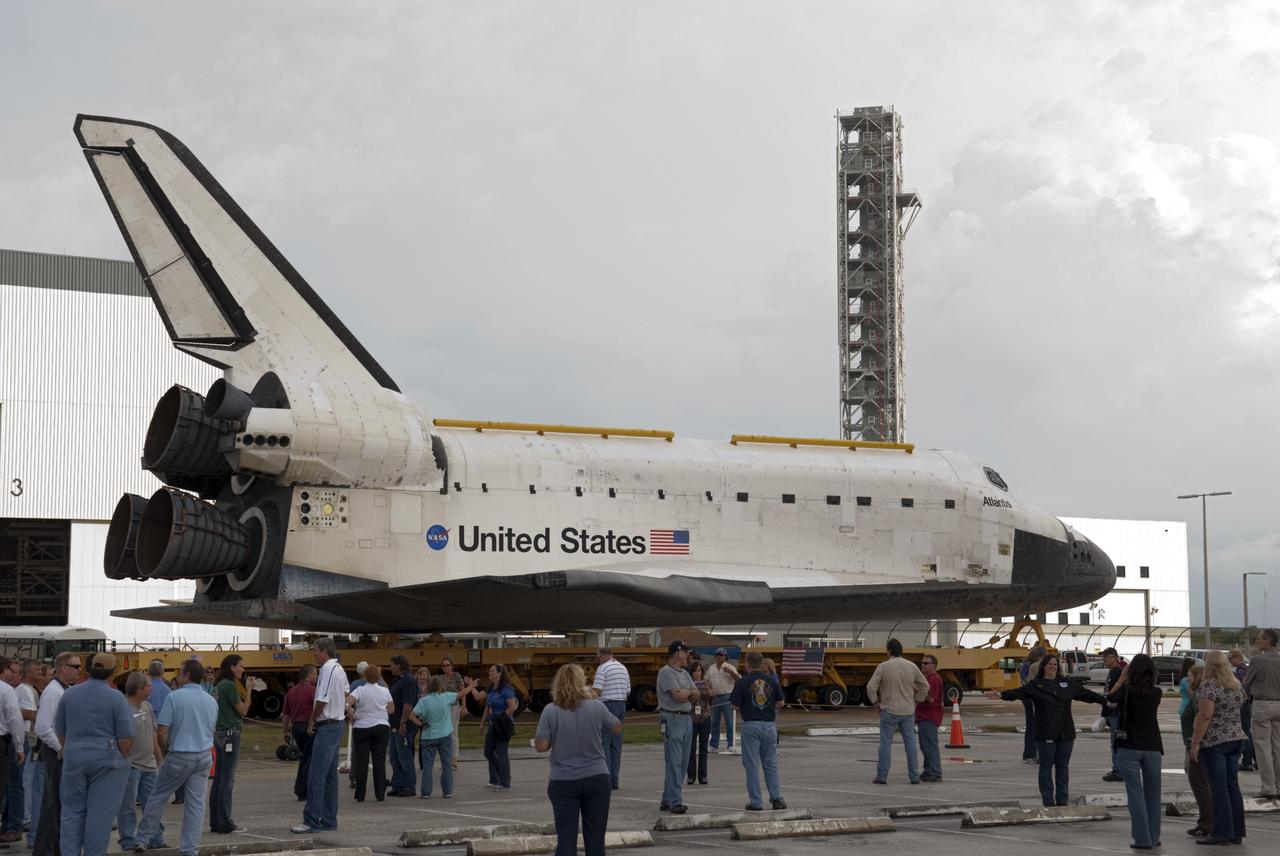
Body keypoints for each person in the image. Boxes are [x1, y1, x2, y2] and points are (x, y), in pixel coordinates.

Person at [985, 652, 1110, 806]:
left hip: (1065, 732)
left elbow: (1087, 694)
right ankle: (1048, 801)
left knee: (1063, 766)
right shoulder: (1036, 684)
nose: (1053, 667)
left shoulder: (1067, 683)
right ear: (1043, 666)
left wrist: (1106, 701)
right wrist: (1001, 695)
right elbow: (1019, 693)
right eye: (1050, 664)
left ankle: (1062, 800)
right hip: (1045, 732)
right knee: (1046, 766)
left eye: (1055, 664)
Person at [535, 664, 621, 856]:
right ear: (582, 682)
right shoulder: (596, 706)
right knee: (596, 837)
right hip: (596, 776)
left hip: (563, 779)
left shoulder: (550, 710)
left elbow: (541, 746)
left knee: (566, 838)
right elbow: (616, 727)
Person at [136, 659, 219, 856]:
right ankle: (189, 849)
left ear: (187, 674)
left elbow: (162, 731)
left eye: (181, 672)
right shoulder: (211, 700)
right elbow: (212, 729)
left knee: (157, 797)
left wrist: (164, 751)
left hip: (180, 754)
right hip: (203, 755)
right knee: (196, 805)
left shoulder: (174, 697)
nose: (178, 675)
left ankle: (143, 838)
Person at [55, 652, 135, 856]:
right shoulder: (116, 697)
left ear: (89, 669)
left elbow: (60, 730)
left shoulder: (70, 694)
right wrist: (123, 757)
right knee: (100, 816)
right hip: (107, 759)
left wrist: (72, 748)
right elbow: (126, 737)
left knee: (71, 813)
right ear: (112, 672)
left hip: (74, 757)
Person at [292, 636, 350, 834]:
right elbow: (345, 692)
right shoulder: (339, 669)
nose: (314, 654)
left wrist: (312, 719)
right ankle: (328, 818)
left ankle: (311, 820)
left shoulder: (327, 669)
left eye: (315, 650)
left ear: (324, 651)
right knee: (330, 776)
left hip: (327, 725)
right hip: (337, 723)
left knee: (316, 774)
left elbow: (322, 699)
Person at [1191, 650, 1248, 845]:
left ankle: (1222, 832)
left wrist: (1195, 742)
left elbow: (1205, 715)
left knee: (1218, 787)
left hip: (1215, 741)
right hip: (1236, 738)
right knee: (1232, 786)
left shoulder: (1209, 686)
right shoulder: (1236, 685)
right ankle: (1236, 831)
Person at [1108, 653, 1164, 849]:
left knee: (1135, 792)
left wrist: (1122, 678)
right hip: (1153, 746)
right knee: (1153, 794)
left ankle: (1142, 839)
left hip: (1129, 744)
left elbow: (1110, 699)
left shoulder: (1126, 690)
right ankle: (1154, 836)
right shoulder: (1157, 692)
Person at [32, 650, 80, 855]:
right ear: (63, 668)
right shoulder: (53, 692)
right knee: (53, 804)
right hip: (56, 752)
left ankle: (53, 848)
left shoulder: (63, 690)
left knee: (57, 803)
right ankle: (47, 849)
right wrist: (61, 749)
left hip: (59, 750)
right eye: (76, 666)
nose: (79, 670)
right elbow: (43, 726)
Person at [866, 639, 929, 784]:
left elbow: (870, 687)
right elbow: (924, 686)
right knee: (910, 744)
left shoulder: (883, 666)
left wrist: (876, 703)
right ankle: (914, 776)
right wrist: (917, 700)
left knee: (885, 744)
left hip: (889, 709)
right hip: (908, 710)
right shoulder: (911, 666)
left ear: (889, 651)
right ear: (901, 651)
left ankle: (882, 776)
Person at [731, 651, 787, 811]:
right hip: (769, 725)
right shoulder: (772, 680)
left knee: (752, 765)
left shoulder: (742, 682)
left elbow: (734, 705)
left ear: (747, 663)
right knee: (770, 764)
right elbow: (781, 702)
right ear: (761, 663)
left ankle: (756, 802)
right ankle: (777, 799)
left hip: (751, 724)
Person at [116, 671, 165, 853]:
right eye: (149, 686)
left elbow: (153, 735)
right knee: (127, 806)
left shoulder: (147, 706)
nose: (152, 689)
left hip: (149, 765)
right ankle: (128, 841)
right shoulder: (123, 707)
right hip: (131, 765)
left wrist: (159, 759)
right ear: (139, 689)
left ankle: (155, 838)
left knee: (153, 804)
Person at [410, 674, 476, 798]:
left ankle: (426, 792)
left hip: (428, 736)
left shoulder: (424, 701)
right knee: (446, 764)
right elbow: (462, 693)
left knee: (427, 766)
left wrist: (421, 724)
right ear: (440, 687)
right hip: (445, 735)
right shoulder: (446, 697)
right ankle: (448, 791)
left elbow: (412, 716)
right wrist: (471, 686)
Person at [209, 654, 250, 834]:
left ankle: (216, 821)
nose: (242, 669)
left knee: (219, 778)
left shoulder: (218, 686)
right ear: (232, 667)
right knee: (227, 780)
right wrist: (249, 691)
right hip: (231, 734)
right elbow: (243, 710)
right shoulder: (230, 686)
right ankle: (225, 822)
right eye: (240, 666)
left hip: (219, 733)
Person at [656, 641, 697, 814]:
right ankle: (675, 801)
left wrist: (686, 693)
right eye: (685, 652)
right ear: (677, 653)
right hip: (672, 718)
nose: (687, 655)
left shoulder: (685, 673)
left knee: (683, 762)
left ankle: (667, 799)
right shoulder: (666, 672)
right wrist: (687, 693)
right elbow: (678, 696)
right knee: (674, 761)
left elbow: (696, 693)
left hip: (686, 718)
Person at [346, 664, 394, 802]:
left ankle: (360, 794)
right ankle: (380, 794)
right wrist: (380, 713)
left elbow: (347, 703)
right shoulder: (385, 691)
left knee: (362, 762)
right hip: (381, 726)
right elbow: (391, 709)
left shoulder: (360, 690)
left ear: (365, 677)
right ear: (379, 677)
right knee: (379, 761)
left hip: (362, 727)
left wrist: (352, 714)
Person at [467, 664, 517, 791]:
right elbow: (479, 698)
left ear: (499, 673)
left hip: (503, 725)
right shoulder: (491, 688)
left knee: (501, 753)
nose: (489, 672)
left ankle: (504, 782)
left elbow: (512, 707)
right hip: (492, 724)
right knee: (488, 752)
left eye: (492, 671)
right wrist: (471, 685)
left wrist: (501, 719)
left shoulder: (506, 689)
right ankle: (497, 778)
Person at [1245, 628, 1280, 799]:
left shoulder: (1257, 660)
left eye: (1259, 639)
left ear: (1267, 641)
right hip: (1279, 703)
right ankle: (1279, 785)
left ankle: (1268, 787)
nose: (1257, 641)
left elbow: (1247, 682)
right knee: (1277, 746)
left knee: (1262, 746)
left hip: (1262, 703)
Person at [1181, 663, 1215, 838]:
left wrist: (1195, 743)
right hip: (1194, 744)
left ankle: (1207, 822)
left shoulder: (1199, 695)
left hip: (1197, 745)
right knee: (1201, 783)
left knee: (1199, 783)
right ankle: (1207, 820)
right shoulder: (1197, 693)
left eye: (1190, 675)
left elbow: (1202, 718)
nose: (1187, 678)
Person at [590, 647, 630, 790]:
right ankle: (614, 780)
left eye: (597, 657)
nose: (597, 659)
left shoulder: (603, 668)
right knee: (616, 744)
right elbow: (628, 690)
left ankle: (605, 779)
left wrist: (586, 692)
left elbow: (597, 691)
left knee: (604, 742)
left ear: (601, 656)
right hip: (621, 705)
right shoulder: (623, 668)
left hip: (607, 705)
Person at [282, 664, 317, 801]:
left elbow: (286, 714)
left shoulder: (291, 692)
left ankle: (300, 788)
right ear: (308, 676)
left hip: (296, 726)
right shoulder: (313, 691)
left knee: (304, 757)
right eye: (315, 674)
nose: (316, 676)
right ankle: (303, 789)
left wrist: (285, 731)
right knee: (309, 758)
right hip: (309, 726)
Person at [0, 657, 25, 846]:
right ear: (4, 670)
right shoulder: (6, 690)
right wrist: (19, 746)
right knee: (6, 786)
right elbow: (15, 719)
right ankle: (11, 827)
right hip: (2, 742)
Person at [15, 660, 40, 840]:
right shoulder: (26, 690)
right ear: (28, 672)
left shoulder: (24, 689)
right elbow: (30, 714)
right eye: (37, 670)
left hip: (24, 737)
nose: (40, 673)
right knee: (28, 779)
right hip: (28, 738)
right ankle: (26, 816)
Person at [387, 656, 419, 797]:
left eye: (392, 664)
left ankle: (409, 786)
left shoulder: (408, 681)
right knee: (394, 757)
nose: (390, 667)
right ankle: (398, 784)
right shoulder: (398, 680)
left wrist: (403, 722)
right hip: (394, 725)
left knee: (404, 756)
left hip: (403, 726)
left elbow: (408, 704)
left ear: (399, 665)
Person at [916, 653, 944, 782]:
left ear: (934, 665)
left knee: (930, 746)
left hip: (929, 716)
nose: (923, 665)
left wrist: (917, 690)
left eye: (926, 663)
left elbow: (931, 698)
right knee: (925, 746)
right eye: (922, 663)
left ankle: (935, 771)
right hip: (924, 716)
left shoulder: (934, 679)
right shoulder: (927, 678)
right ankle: (928, 770)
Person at [1100, 647, 1127, 782]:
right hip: (1111, 712)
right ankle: (1117, 769)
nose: (1103, 659)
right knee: (1115, 743)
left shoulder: (1117, 672)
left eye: (1106, 657)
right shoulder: (1112, 672)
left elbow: (1117, 692)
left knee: (1116, 743)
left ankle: (1119, 771)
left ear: (1114, 658)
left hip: (1116, 712)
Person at [706, 648, 740, 752]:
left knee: (729, 722)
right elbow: (706, 680)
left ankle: (730, 744)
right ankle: (714, 744)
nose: (719, 656)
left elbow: (739, 679)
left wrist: (731, 672)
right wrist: (708, 689)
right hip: (715, 697)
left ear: (725, 657)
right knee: (714, 722)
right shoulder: (711, 668)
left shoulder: (730, 667)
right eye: (717, 655)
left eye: (721, 655)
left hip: (727, 697)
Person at [1018, 646, 1047, 763]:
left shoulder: (1025, 665)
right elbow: (1029, 681)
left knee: (1033, 725)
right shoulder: (1032, 666)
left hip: (1028, 697)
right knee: (1033, 726)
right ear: (1039, 656)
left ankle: (1031, 753)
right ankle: (1030, 754)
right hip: (1032, 698)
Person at [1228, 649, 1256, 771]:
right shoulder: (1245, 669)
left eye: (1230, 658)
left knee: (1244, 733)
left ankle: (1247, 761)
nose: (1229, 661)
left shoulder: (1240, 672)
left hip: (1243, 704)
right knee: (1247, 732)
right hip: (1247, 703)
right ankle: (1255, 759)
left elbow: (1241, 689)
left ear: (1237, 657)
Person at [686, 661, 711, 786]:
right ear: (692, 672)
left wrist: (706, 687)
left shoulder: (706, 682)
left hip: (705, 716)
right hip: (691, 717)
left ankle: (703, 775)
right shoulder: (687, 683)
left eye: (699, 670)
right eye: (695, 671)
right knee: (691, 747)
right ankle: (691, 775)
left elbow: (711, 695)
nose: (697, 673)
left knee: (703, 747)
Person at [437, 660, 463, 771]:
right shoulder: (440, 678)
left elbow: (463, 692)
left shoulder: (457, 676)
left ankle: (454, 761)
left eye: (448, 665)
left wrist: (464, 707)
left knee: (453, 733)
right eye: (443, 665)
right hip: (443, 708)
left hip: (454, 707)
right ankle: (446, 761)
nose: (446, 667)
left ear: (452, 666)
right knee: (444, 734)